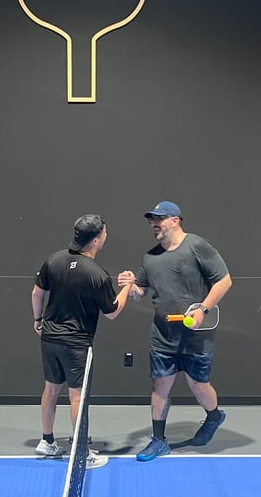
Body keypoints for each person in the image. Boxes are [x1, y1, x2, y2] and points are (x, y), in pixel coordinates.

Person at [118, 200, 232, 461]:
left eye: (159, 219)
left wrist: (202, 310)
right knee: (160, 386)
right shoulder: (150, 257)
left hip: (196, 335)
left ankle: (214, 416)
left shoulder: (197, 246)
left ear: (175, 220)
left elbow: (224, 281)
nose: (154, 224)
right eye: (152, 220)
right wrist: (130, 286)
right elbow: (139, 293)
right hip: (163, 335)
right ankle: (159, 440)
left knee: (198, 385)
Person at [32, 213, 131, 466]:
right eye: (104, 233)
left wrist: (38, 319)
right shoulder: (97, 274)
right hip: (76, 345)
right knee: (77, 397)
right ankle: (81, 454)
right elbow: (112, 312)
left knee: (51, 389)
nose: (106, 236)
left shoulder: (53, 260)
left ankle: (46, 441)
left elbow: (36, 293)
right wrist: (127, 286)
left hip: (50, 339)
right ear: (96, 240)